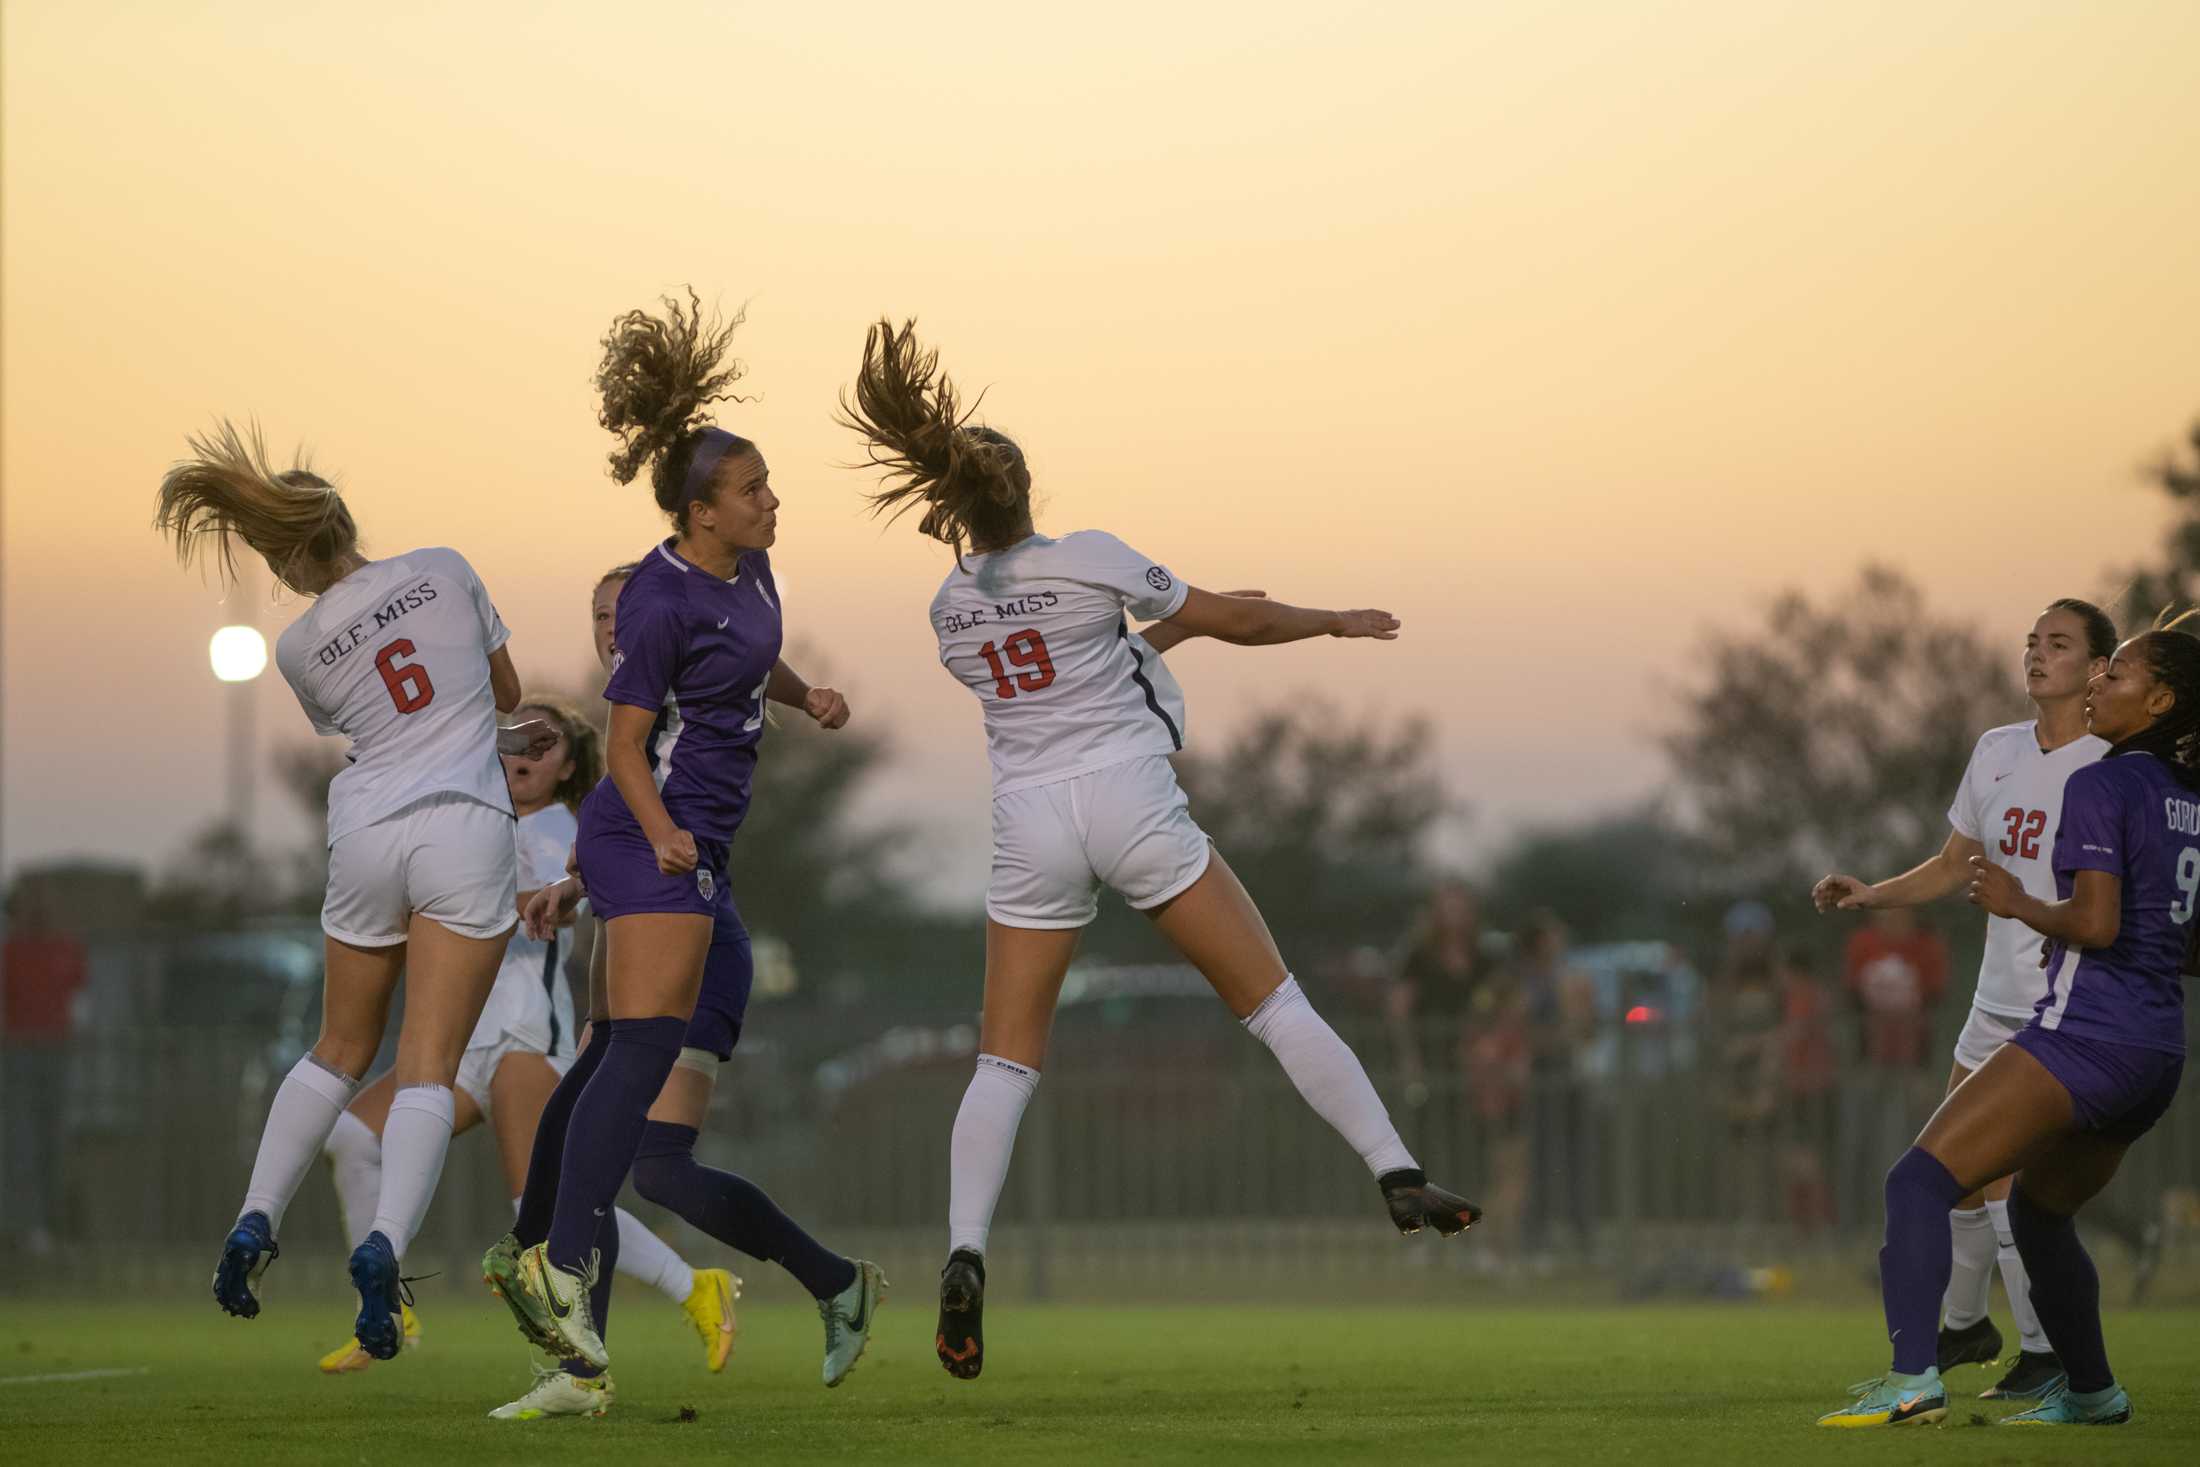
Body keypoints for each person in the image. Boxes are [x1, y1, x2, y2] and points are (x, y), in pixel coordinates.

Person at [838, 318, 1480, 1382]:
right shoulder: (1088, 554)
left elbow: (1066, 667)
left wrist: (1164, 632)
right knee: (1275, 1005)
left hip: (1032, 822)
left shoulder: (950, 607)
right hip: (1131, 804)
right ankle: (1395, 1168)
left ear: (950, 505)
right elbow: (1234, 619)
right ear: (1028, 490)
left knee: (1004, 1060)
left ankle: (963, 1251)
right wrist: (1325, 620)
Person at [487, 293, 883, 1407]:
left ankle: (555, 1284)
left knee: (622, 1066)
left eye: (765, 484)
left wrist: (806, 696)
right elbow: (618, 750)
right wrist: (662, 840)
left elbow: (751, 659)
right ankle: (559, 1273)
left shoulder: (751, 571)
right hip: (652, 835)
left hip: (681, 844)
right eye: (752, 489)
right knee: (636, 1051)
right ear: (701, 513)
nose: (771, 501)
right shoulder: (660, 599)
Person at [154, 421, 557, 1358]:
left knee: (338, 1044)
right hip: (462, 824)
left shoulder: (298, 647)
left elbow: (372, 720)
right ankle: (384, 1244)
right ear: (345, 519)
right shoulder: (447, 566)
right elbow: (508, 693)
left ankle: (255, 1219)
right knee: (427, 1062)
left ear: (283, 557)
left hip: (367, 831)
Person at [1817, 627, 2192, 1428]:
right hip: (2157, 1051)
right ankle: (2091, 1392)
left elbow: (2092, 923)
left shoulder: (2104, 778)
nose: (2101, 678)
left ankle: (1914, 1378)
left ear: (2159, 701)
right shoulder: (2185, 793)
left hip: (2083, 1033)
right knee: (2037, 1213)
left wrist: (2018, 903)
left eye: (2116, 669)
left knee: (1917, 1182)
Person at [312, 696, 737, 1380]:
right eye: (516, 740)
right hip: (460, 1039)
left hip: (523, 1034)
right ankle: (385, 1306)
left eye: (544, 746)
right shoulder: (472, 821)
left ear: (569, 764)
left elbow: (570, 903)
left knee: (539, 1208)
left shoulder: (565, 825)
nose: (524, 756)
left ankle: (693, 1288)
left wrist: (455, 903)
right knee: (353, 1139)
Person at [1, 885, 86, 1258]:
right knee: (22, 1143)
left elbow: (82, 999)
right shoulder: (10, 951)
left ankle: (50, 1227)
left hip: (57, 1053)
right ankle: (26, 1228)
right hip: (20, 1054)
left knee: (54, 1140)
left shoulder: (66, 949)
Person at [1385, 879, 1486, 1108]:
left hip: (1473, 1060)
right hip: (1431, 1056)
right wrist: (1409, 1057)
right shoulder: (1419, 957)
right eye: (1450, 907)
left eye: (1462, 907)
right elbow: (1399, 1009)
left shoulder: (1482, 957)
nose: (1456, 915)